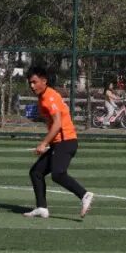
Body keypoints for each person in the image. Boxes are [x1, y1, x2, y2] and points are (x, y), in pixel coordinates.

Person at [23, 65, 94, 219]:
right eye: (30, 83)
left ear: (44, 81)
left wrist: (43, 143)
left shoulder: (49, 97)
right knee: (36, 172)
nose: (32, 86)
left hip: (66, 142)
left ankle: (84, 195)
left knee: (58, 174)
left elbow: (57, 124)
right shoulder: (44, 97)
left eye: (34, 82)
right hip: (60, 143)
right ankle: (41, 208)